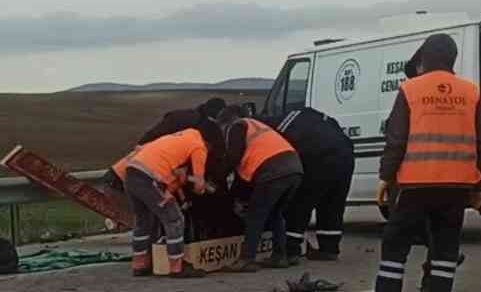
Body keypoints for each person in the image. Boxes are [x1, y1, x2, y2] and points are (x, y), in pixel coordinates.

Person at [350, 34, 481, 292]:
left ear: (423, 59)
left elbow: (396, 139)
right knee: (445, 247)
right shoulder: (470, 92)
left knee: (395, 244)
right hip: (456, 186)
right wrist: (480, 185)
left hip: (415, 183)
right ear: (453, 59)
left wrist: (386, 177)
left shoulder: (411, 89)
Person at [111, 125, 221, 277]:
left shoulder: (180, 137)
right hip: (149, 178)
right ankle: (177, 267)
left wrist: (173, 190)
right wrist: (201, 188)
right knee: (174, 219)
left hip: (131, 174)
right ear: (209, 143)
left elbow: (169, 175)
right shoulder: (199, 146)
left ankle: (139, 265)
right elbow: (199, 183)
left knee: (143, 221)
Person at [209, 107, 304, 272]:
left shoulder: (236, 126)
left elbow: (233, 157)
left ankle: (246, 259)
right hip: (294, 168)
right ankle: (280, 256)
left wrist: (217, 177)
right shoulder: (256, 124)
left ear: (225, 123)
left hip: (273, 171)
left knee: (255, 215)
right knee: (275, 213)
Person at [262, 106, 355, 260]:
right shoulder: (305, 117)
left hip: (318, 155)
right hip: (345, 154)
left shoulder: (281, 127)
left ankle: (290, 249)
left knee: (300, 201)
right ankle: (329, 248)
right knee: (333, 203)